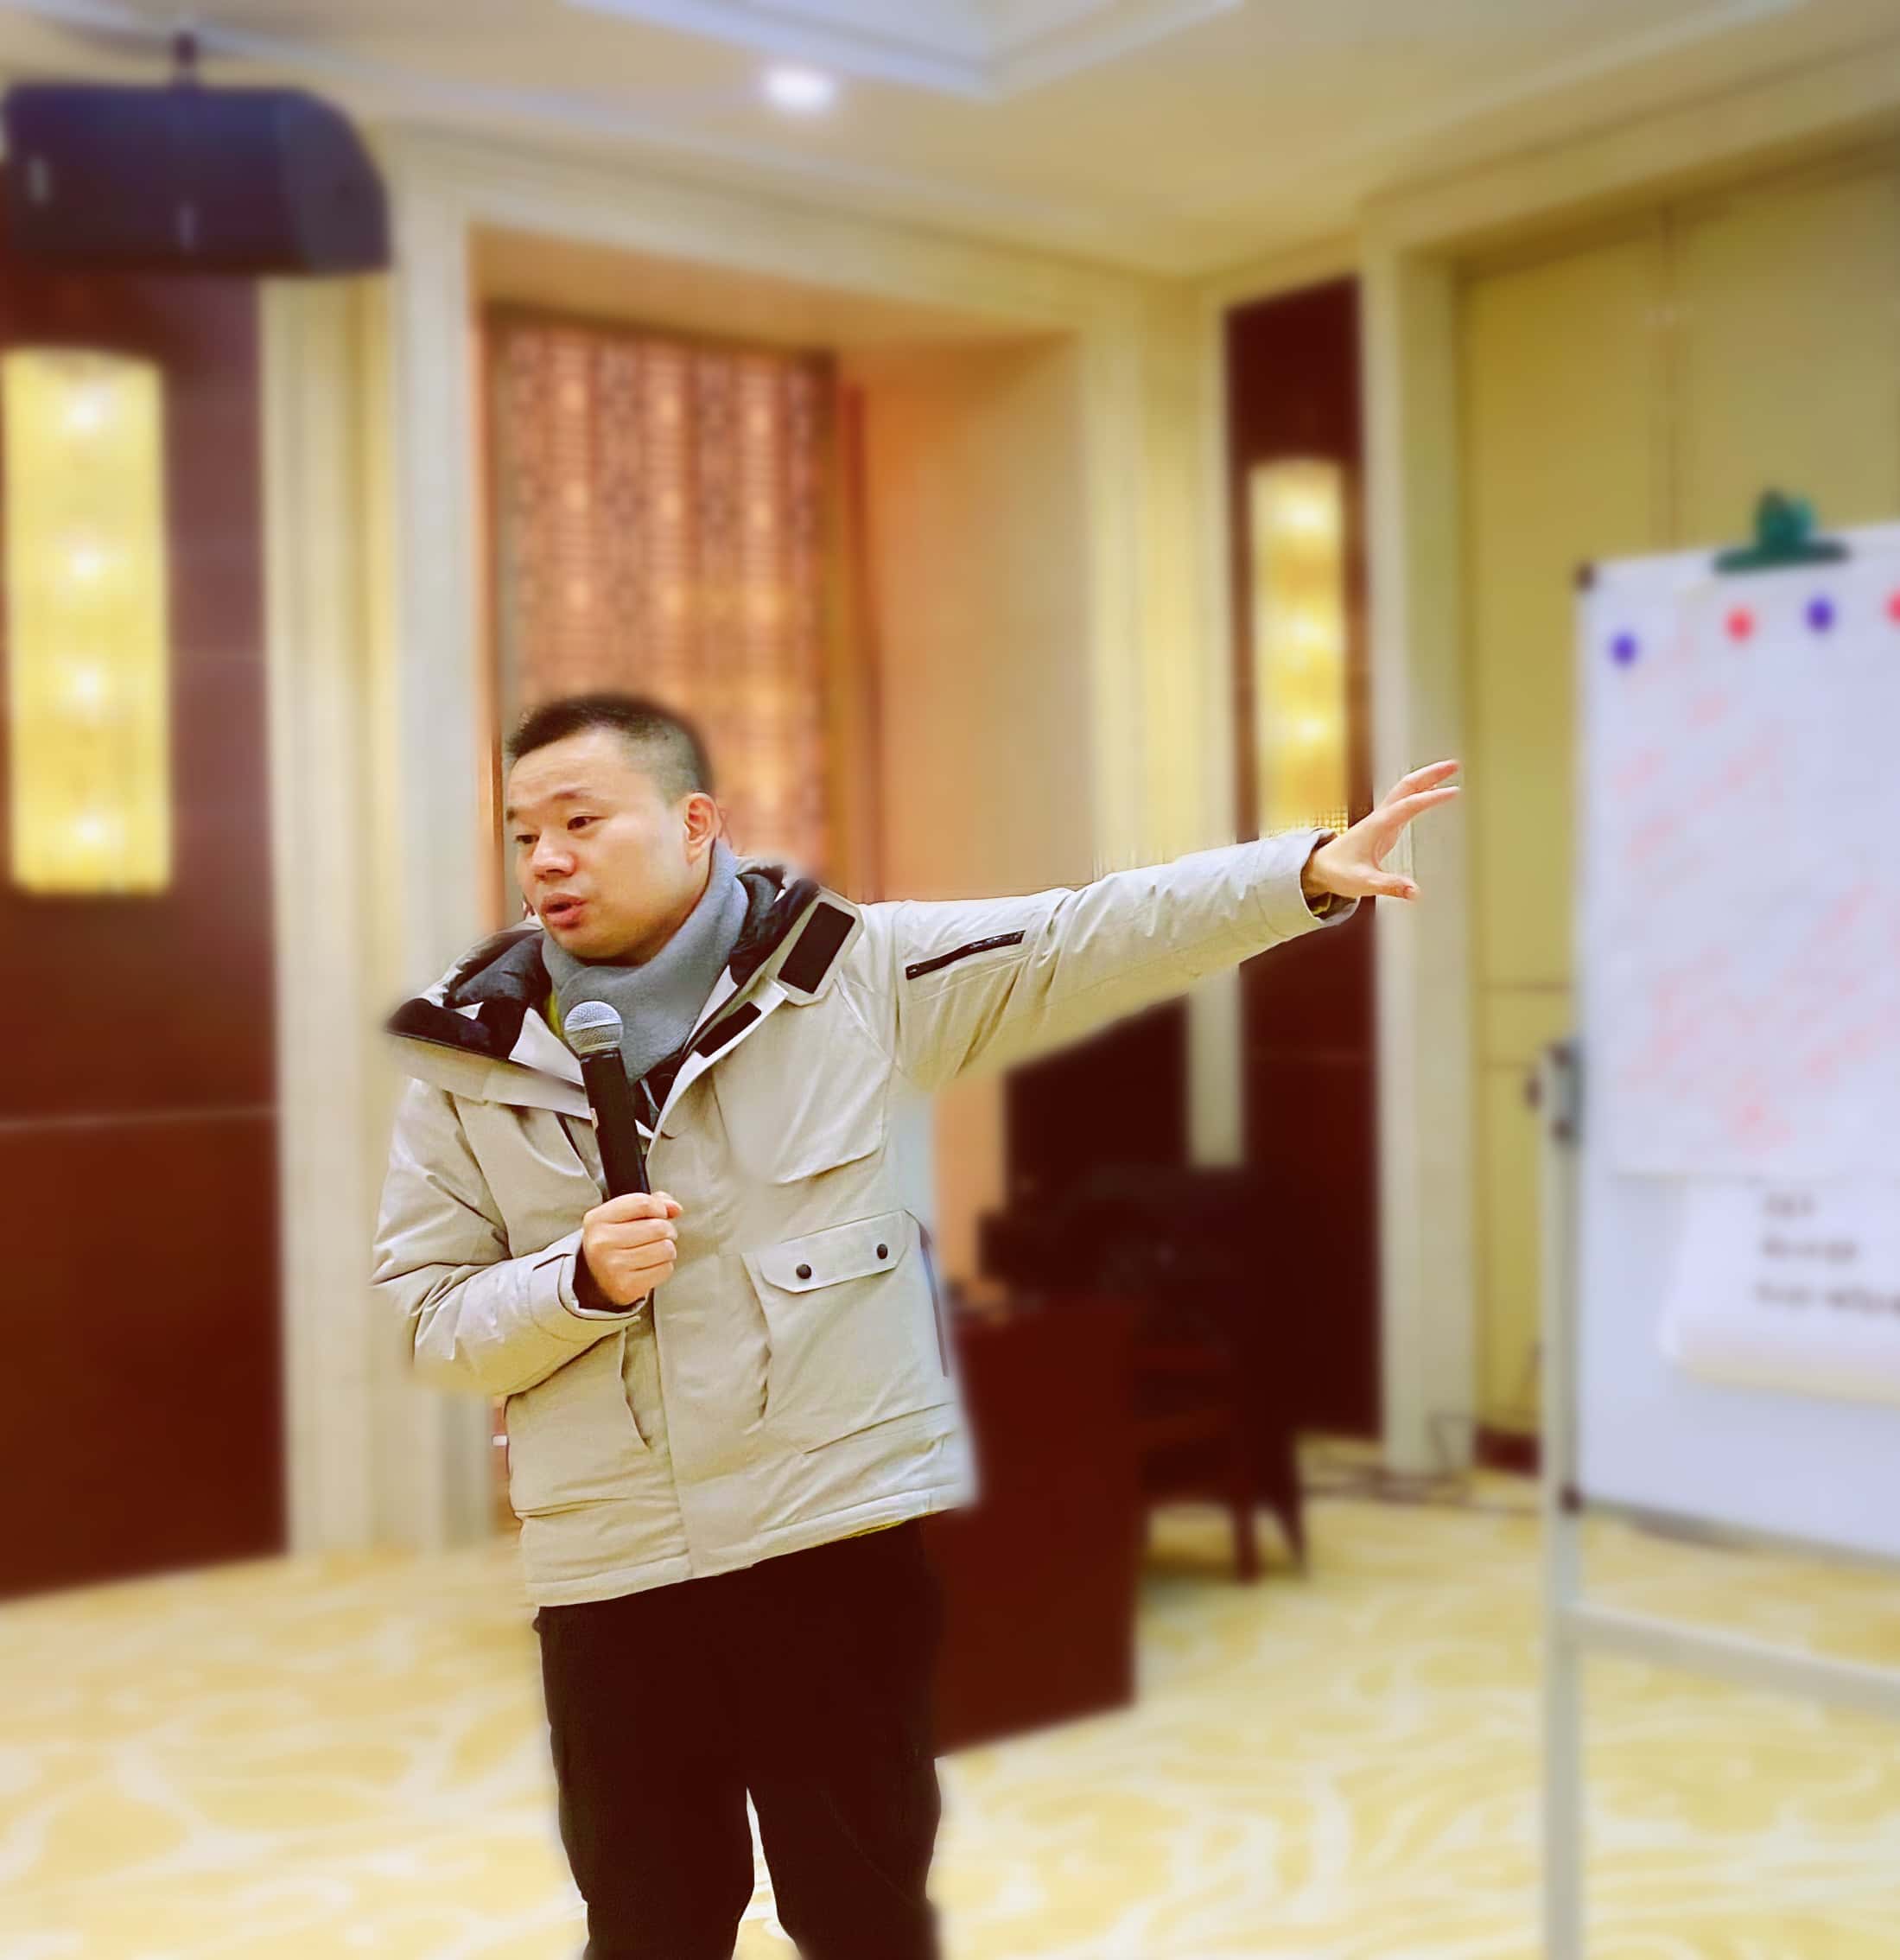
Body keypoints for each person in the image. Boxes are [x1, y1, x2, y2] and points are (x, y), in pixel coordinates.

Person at [374, 693, 1456, 1957]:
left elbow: (1078, 936)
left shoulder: (851, 975)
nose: (546, 860)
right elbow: (425, 1318)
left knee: (864, 1917)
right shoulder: (466, 1057)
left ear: (694, 822)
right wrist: (576, 1283)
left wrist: (1296, 875)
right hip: (613, 1576)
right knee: (649, 1926)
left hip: (825, 1545)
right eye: (522, 834)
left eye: (580, 821)